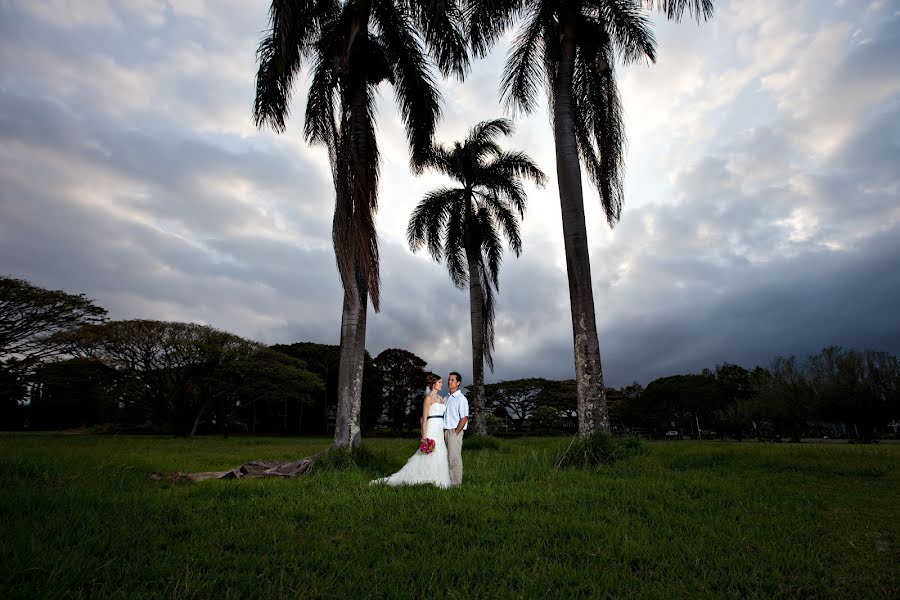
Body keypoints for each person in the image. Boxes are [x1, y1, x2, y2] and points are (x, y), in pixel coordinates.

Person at [370, 373, 451, 488]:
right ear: (433, 384)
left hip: (440, 428)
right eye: (440, 382)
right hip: (431, 427)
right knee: (429, 452)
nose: (442, 384)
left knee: (440, 451)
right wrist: (424, 436)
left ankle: (438, 479)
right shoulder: (428, 398)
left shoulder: (440, 398)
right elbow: (424, 419)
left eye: (441, 382)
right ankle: (420, 476)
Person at [443, 371, 469, 486]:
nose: (449, 382)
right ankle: (447, 481)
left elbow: (464, 418)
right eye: (449, 379)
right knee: (445, 458)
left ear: (458, 383)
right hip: (444, 431)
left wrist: (455, 432)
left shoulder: (461, 398)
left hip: (454, 431)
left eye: (452, 380)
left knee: (454, 459)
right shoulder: (446, 398)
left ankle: (456, 485)